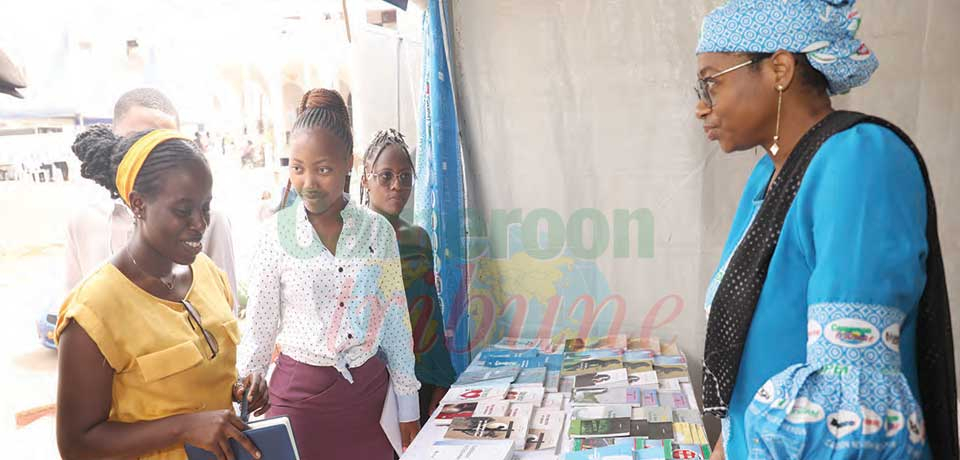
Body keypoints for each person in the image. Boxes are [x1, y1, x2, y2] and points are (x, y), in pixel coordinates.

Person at [695, 1, 956, 459]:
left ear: (779, 68)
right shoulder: (770, 175)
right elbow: (753, 363)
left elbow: (850, 417)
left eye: (712, 81)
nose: (702, 106)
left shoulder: (861, 161)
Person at [56, 126, 269, 460]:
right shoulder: (94, 310)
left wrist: (239, 388)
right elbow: (76, 445)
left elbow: (195, 381)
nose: (200, 223)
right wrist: (183, 428)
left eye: (205, 207)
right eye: (183, 211)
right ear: (138, 205)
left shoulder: (208, 274)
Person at [237, 88, 421, 460]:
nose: (308, 182)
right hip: (298, 406)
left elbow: (397, 326)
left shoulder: (377, 233)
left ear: (349, 163)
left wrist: (408, 409)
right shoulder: (275, 235)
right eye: (297, 167)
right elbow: (259, 329)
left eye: (323, 169)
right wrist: (245, 387)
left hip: (369, 402)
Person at [63, 88, 239, 310]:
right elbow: (73, 309)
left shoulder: (211, 220)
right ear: (113, 140)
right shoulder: (84, 220)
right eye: (138, 140)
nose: (153, 154)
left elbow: (225, 315)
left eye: (167, 142)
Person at [360, 129, 456, 425]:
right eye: (385, 176)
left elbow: (431, 315)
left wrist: (442, 377)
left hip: (422, 374)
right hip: (372, 382)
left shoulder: (417, 238)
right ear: (366, 179)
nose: (396, 186)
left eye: (405, 177)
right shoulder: (349, 240)